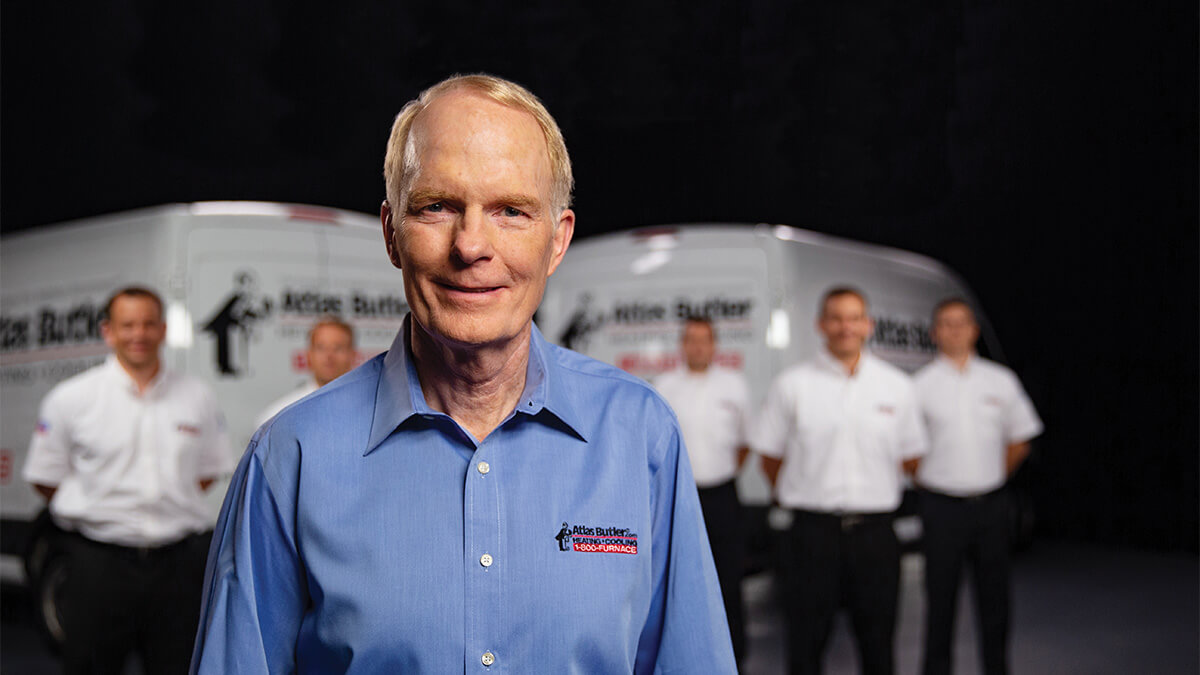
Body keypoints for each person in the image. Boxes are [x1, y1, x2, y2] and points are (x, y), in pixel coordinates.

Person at [191, 74, 736, 673]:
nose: (471, 245)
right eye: (437, 206)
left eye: (511, 210)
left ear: (557, 242)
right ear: (392, 233)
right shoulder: (289, 456)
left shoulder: (639, 433)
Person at [23, 286, 234, 674]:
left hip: (178, 566)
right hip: (97, 564)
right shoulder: (72, 398)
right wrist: (99, 504)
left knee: (179, 665)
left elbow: (207, 473)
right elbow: (45, 479)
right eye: (128, 325)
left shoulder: (197, 397)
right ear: (108, 331)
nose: (139, 334)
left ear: (164, 330)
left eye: (149, 324)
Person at [753, 287, 927, 675]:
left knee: (879, 646)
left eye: (853, 317)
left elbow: (912, 456)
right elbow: (769, 457)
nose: (844, 326)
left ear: (868, 324)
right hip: (812, 537)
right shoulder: (792, 384)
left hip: (876, 537)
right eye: (835, 317)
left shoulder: (897, 387)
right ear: (820, 324)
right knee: (804, 646)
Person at [913, 298, 1043, 675]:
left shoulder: (1000, 381)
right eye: (946, 324)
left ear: (974, 330)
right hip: (940, 507)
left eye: (961, 323)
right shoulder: (919, 386)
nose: (954, 330)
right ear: (935, 333)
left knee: (996, 601)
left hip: (990, 506)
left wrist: (993, 476)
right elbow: (905, 447)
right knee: (940, 602)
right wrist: (929, 479)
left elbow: (1021, 438)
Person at [653, 316, 751, 665]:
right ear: (682, 344)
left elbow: (744, 444)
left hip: (723, 496)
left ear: (714, 344)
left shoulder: (734, 385)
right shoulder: (664, 386)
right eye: (691, 339)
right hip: (678, 498)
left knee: (728, 579)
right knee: (678, 579)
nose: (697, 346)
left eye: (704, 340)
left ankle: (736, 658)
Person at [255, 316, 356, 426]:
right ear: (308, 355)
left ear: (352, 355)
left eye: (338, 348)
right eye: (321, 348)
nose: (329, 355)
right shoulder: (277, 418)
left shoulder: (371, 414)